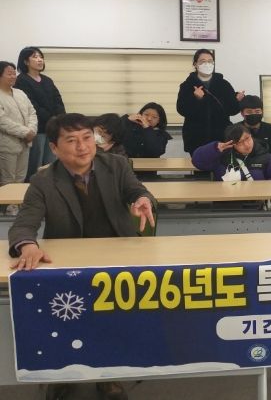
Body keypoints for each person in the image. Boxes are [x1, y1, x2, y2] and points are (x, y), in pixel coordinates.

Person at [8, 113, 156, 400]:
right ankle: (61, 374)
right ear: (54, 148)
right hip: (69, 261)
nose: (83, 146)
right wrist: (28, 246)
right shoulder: (43, 181)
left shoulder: (116, 165)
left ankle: (109, 376)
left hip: (115, 253)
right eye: (72, 140)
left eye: (88, 138)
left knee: (113, 319)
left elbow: (136, 190)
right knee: (65, 320)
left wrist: (142, 199)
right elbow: (24, 224)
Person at [176, 49, 244, 154]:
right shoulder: (187, 85)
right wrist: (196, 99)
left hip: (221, 137)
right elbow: (181, 109)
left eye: (210, 61)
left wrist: (237, 100)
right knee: (200, 164)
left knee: (222, 164)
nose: (207, 64)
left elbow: (232, 110)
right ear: (195, 64)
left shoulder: (224, 84)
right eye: (202, 61)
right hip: (196, 137)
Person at [14, 46, 65, 180]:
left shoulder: (47, 80)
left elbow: (58, 100)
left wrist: (59, 119)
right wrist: (51, 119)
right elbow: (31, 105)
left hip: (53, 128)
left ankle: (49, 188)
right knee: (35, 162)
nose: (40, 60)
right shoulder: (21, 80)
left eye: (41, 57)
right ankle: (33, 188)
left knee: (51, 162)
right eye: (35, 57)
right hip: (37, 129)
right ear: (26, 61)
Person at [0, 61, 37, 216]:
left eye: (14, 73)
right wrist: (25, 132)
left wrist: (31, 130)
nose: (14, 76)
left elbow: (32, 113)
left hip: (25, 143)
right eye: (9, 73)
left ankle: (19, 203)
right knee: (8, 177)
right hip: (7, 144)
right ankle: (9, 208)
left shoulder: (20, 93)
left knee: (21, 177)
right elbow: (2, 121)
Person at [191, 123, 271, 182]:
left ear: (251, 135)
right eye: (240, 142)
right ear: (232, 144)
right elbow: (197, 162)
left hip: (255, 203)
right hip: (226, 203)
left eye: (247, 138)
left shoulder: (266, 157)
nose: (246, 145)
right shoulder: (221, 158)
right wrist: (214, 149)